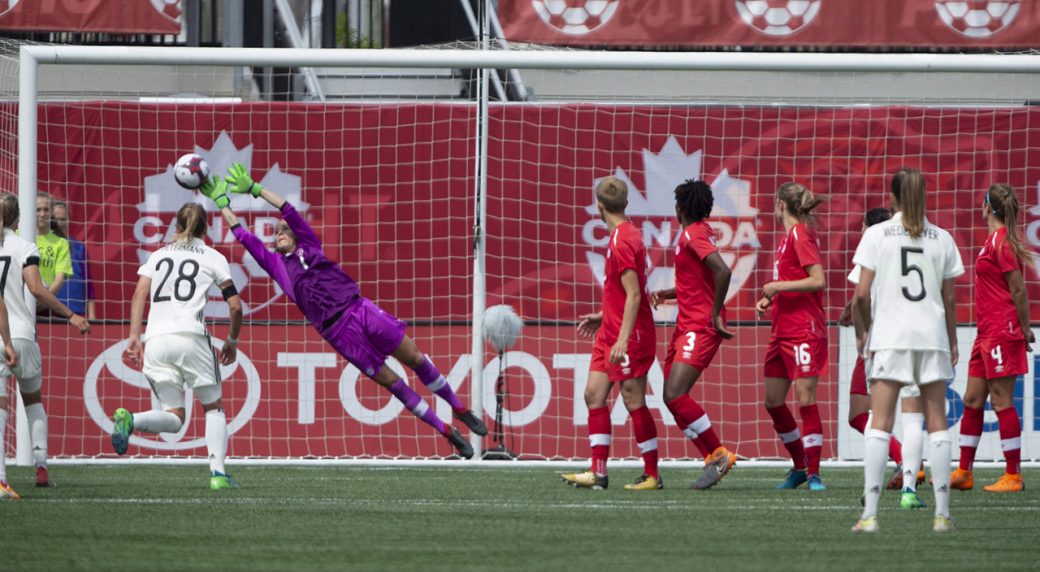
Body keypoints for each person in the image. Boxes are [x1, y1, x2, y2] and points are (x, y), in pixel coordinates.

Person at [201, 163, 487, 458]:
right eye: (276, 232)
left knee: (414, 357)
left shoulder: (309, 245)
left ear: (296, 234)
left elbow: (286, 207)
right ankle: (446, 431)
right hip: (339, 333)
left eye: (285, 229)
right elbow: (243, 236)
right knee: (392, 382)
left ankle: (460, 409)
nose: (280, 232)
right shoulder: (276, 266)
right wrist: (222, 203)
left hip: (359, 309)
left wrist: (254, 189)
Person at [851, 168, 963, 533]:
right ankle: (942, 515)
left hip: (891, 337)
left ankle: (869, 515)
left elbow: (861, 295)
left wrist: (864, 333)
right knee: (937, 423)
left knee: (880, 422)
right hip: (931, 337)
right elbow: (949, 298)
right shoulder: (943, 238)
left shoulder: (876, 234)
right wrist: (952, 340)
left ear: (892, 198)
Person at [113, 203, 244, 490]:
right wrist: (232, 341)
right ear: (205, 228)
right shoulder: (214, 257)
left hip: (156, 340)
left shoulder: (158, 255)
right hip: (191, 336)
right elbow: (235, 306)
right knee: (213, 408)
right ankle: (218, 474)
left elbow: (139, 292)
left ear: (176, 226)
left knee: (174, 418)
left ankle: (131, 419)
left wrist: (134, 335)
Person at [561, 176, 660, 491]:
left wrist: (622, 339)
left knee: (633, 399)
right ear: (626, 204)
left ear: (599, 206)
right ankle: (598, 472)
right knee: (593, 394)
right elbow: (625, 292)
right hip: (611, 329)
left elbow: (635, 294)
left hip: (628, 334)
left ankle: (652, 474)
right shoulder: (624, 235)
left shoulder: (622, 241)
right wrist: (604, 316)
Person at [0, 193, 91, 492]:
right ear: (17, 218)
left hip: (2, 334)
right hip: (21, 333)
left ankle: (1, 479)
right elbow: (37, 289)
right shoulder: (25, 246)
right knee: (33, 401)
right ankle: (41, 468)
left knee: (0, 406)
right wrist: (71, 315)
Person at [649, 179, 737, 490]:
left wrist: (715, 314)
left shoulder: (693, 233)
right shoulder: (697, 232)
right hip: (687, 324)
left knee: (675, 394)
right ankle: (712, 458)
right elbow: (698, 280)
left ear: (680, 208)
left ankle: (719, 453)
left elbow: (723, 271)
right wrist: (669, 293)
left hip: (699, 325)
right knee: (670, 397)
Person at [841, 207, 928, 509]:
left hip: (879, 342)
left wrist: (861, 335)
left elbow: (861, 297)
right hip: (913, 339)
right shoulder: (922, 243)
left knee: (868, 416)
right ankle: (908, 482)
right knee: (912, 416)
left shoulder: (872, 246)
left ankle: (883, 477)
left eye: (863, 225)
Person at [951, 184, 1033, 493]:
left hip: (1001, 331)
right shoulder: (992, 241)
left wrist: (1024, 328)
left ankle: (1013, 476)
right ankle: (964, 472)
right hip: (986, 332)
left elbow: (1019, 289)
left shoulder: (1002, 243)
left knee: (1001, 402)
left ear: (987, 207)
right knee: (972, 399)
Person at [755, 182, 829, 491]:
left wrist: (776, 286)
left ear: (781, 204)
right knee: (773, 401)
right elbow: (794, 279)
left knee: (805, 398)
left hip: (803, 330)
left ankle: (814, 473)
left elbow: (817, 279)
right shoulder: (788, 238)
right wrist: (770, 298)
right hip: (782, 330)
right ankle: (800, 465)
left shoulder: (799, 234)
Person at [51, 200, 97, 320]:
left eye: (63, 219)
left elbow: (88, 283)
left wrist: (92, 317)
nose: (59, 223)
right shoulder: (44, 245)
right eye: (56, 219)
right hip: (49, 311)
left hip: (75, 312)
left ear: (69, 219)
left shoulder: (79, 247)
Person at [34, 192, 72, 296]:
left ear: (51, 212)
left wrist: (44, 299)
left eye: (46, 209)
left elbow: (59, 278)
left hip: (46, 300)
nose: (42, 214)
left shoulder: (61, 242)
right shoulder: (18, 235)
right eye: (38, 210)